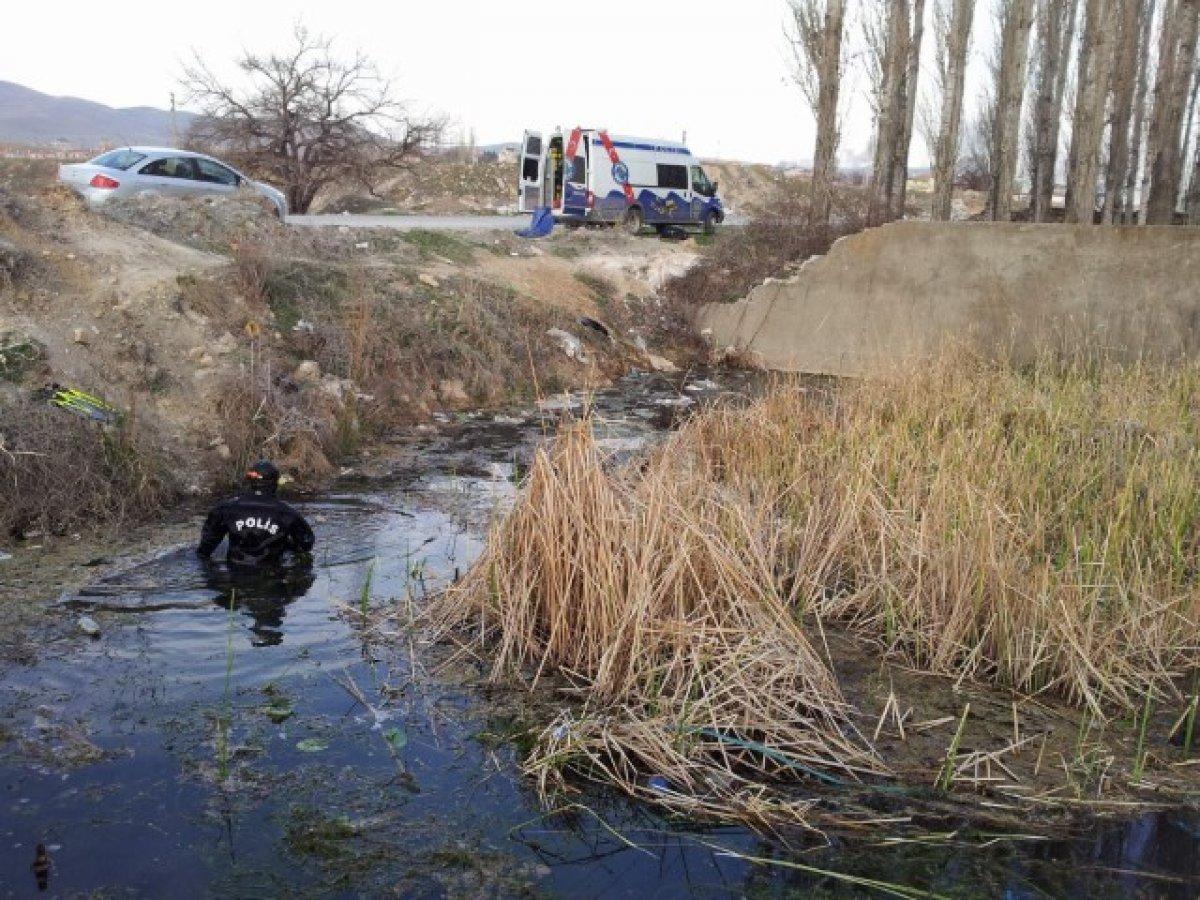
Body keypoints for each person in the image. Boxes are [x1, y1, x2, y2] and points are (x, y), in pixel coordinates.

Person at [197, 460, 315, 565]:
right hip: (273, 576)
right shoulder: (287, 513)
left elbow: (206, 546)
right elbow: (306, 543)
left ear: (250, 482)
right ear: (275, 484)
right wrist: (286, 543)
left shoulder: (225, 509)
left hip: (234, 575)